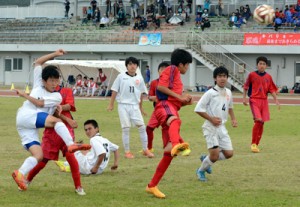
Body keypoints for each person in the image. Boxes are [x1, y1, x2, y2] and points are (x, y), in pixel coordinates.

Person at [12, 49, 91, 191]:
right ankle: (71, 144)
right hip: (27, 115)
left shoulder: (57, 96)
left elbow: (41, 104)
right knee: (57, 122)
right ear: (44, 81)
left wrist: (25, 95)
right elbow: (38, 62)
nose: (54, 84)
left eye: (57, 81)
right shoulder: (38, 84)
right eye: (51, 81)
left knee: (39, 155)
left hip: (27, 125)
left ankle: (20, 173)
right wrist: (54, 54)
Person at [146, 49, 193, 199]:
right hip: (164, 107)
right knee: (175, 121)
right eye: (187, 65)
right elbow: (160, 88)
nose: (188, 68)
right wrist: (179, 96)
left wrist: (185, 101)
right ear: (181, 64)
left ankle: (152, 185)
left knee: (168, 154)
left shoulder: (177, 76)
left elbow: (175, 101)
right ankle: (175, 144)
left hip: (170, 108)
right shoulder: (171, 69)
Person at [26, 83, 86, 195]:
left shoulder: (66, 90)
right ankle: (27, 180)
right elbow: (51, 111)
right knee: (43, 159)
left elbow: (69, 106)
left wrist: (61, 107)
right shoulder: (44, 92)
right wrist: (67, 119)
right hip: (51, 129)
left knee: (70, 156)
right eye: (51, 79)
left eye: (56, 78)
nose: (54, 81)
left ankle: (78, 186)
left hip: (66, 130)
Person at [194, 66, 237, 182]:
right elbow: (198, 109)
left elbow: (230, 106)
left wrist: (233, 119)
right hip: (210, 127)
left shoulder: (228, 92)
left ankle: (206, 159)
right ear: (215, 78)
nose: (222, 78)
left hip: (222, 127)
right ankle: (201, 170)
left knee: (229, 153)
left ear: (227, 78)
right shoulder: (210, 93)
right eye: (220, 76)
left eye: (224, 76)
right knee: (215, 156)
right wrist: (211, 119)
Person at [107, 57, 154, 159]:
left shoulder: (140, 78)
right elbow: (114, 90)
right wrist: (111, 104)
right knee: (126, 128)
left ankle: (145, 149)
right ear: (127, 66)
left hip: (135, 106)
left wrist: (141, 108)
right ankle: (127, 152)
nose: (132, 66)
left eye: (134, 64)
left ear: (137, 66)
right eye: (130, 64)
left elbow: (141, 93)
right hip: (123, 105)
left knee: (142, 127)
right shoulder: (120, 76)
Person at [243, 56, 280, 153]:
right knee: (258, 120)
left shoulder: (268, 77)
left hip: (264, 101)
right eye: (260, 64)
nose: (262, 66)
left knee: (262, 122)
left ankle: (257, 144)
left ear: (266, 66)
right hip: (254, 100)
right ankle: (253, 144)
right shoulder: (251, 75)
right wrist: (244, 99)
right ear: (257, 65)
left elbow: (271, 89)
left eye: (264, 64)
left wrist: (276, 100)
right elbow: (245, 87)